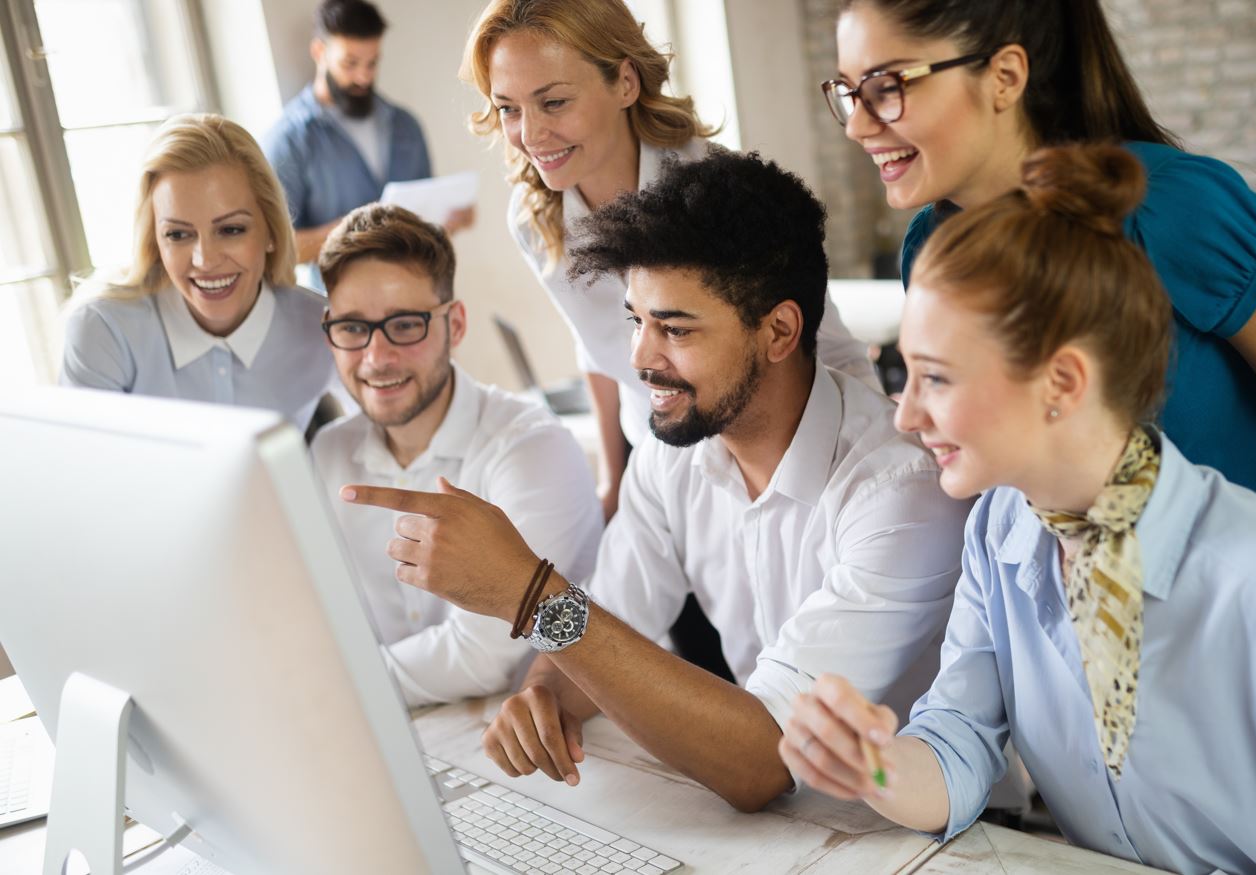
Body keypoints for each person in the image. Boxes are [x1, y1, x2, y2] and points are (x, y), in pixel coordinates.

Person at [341, 150, 970, 811]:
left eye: (674, 328)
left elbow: (765, 759)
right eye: (636, 320)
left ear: (779, 331)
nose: (640, 356)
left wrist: (527, 593)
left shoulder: (900, 488)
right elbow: (605, 626)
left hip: (929, 837)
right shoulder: (673, 455)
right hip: (792, 830)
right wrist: (546, 695)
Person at [780, 144, 1256, 875]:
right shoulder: (999, 527)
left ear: (1062, 381)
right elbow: (960, 735)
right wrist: (872, 765)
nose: (905, 416)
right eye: (907, 374)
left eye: (936, 378)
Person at [823, 0, 1256, 524]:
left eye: (886, 87)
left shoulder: (1175, 207)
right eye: (848, 92)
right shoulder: (932, 247)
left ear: (1004, 77)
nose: (856, 126)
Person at [461, 0, 879, 520]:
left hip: (779, 460)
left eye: (554, 102)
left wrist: (868, 469)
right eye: (508, 109)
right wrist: (613, 480)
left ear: (625, 83)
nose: (530, 135)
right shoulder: (535, 219)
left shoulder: (720, 192)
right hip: (663, 466)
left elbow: (826, 345)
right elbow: (596, 348)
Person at [310, 204, 602, 706]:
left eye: (405, 325)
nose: (377, 358)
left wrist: (334, 688)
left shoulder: (533, 449)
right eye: (353, 328)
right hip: (399, 728)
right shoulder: (327, 452)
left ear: (456, 325)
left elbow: (486, 655)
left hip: (542, 733)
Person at [60, 113, 333, 432]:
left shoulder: (322, 327)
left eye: (231, 229)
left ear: (271, 231)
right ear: (155, 241)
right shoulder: (105, 329)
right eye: (178, 234)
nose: (205, 260)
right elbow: (83, 458)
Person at [263, 0, 474, 288]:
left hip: (416, 292)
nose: (363, 76)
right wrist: (358, 230)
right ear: (319, 52)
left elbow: (427, 224)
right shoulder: (289, 140)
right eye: (350, 63)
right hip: (342, 303)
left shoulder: (406, 126)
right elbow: (278, 249)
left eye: (372, 63)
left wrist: (446, 222)